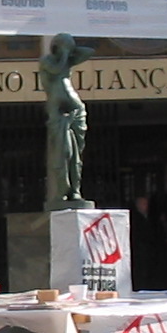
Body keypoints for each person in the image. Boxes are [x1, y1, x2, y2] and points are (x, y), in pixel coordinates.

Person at [40, 33, 96, 209]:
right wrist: (64, 53)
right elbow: (56, 70)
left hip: (74, 104)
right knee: (62, 151)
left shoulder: (67, 59)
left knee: (76, 155)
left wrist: (71, 49)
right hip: (56, 107)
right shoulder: (47, 61)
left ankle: (75, 190)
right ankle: (61, 190)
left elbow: (89, 52)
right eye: (64, 45)